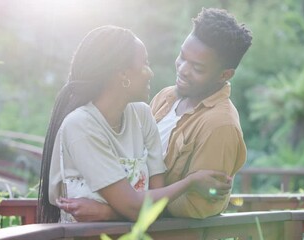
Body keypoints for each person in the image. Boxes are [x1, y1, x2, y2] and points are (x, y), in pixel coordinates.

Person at [58, 8, 252, 221]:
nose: (183, 69)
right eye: (182, 57)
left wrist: (111, 212)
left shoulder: (220, 125)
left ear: (224, 75)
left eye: (197, 67)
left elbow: (198, 207)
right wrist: (126, 205)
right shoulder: (165, 98)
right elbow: (139, 177)